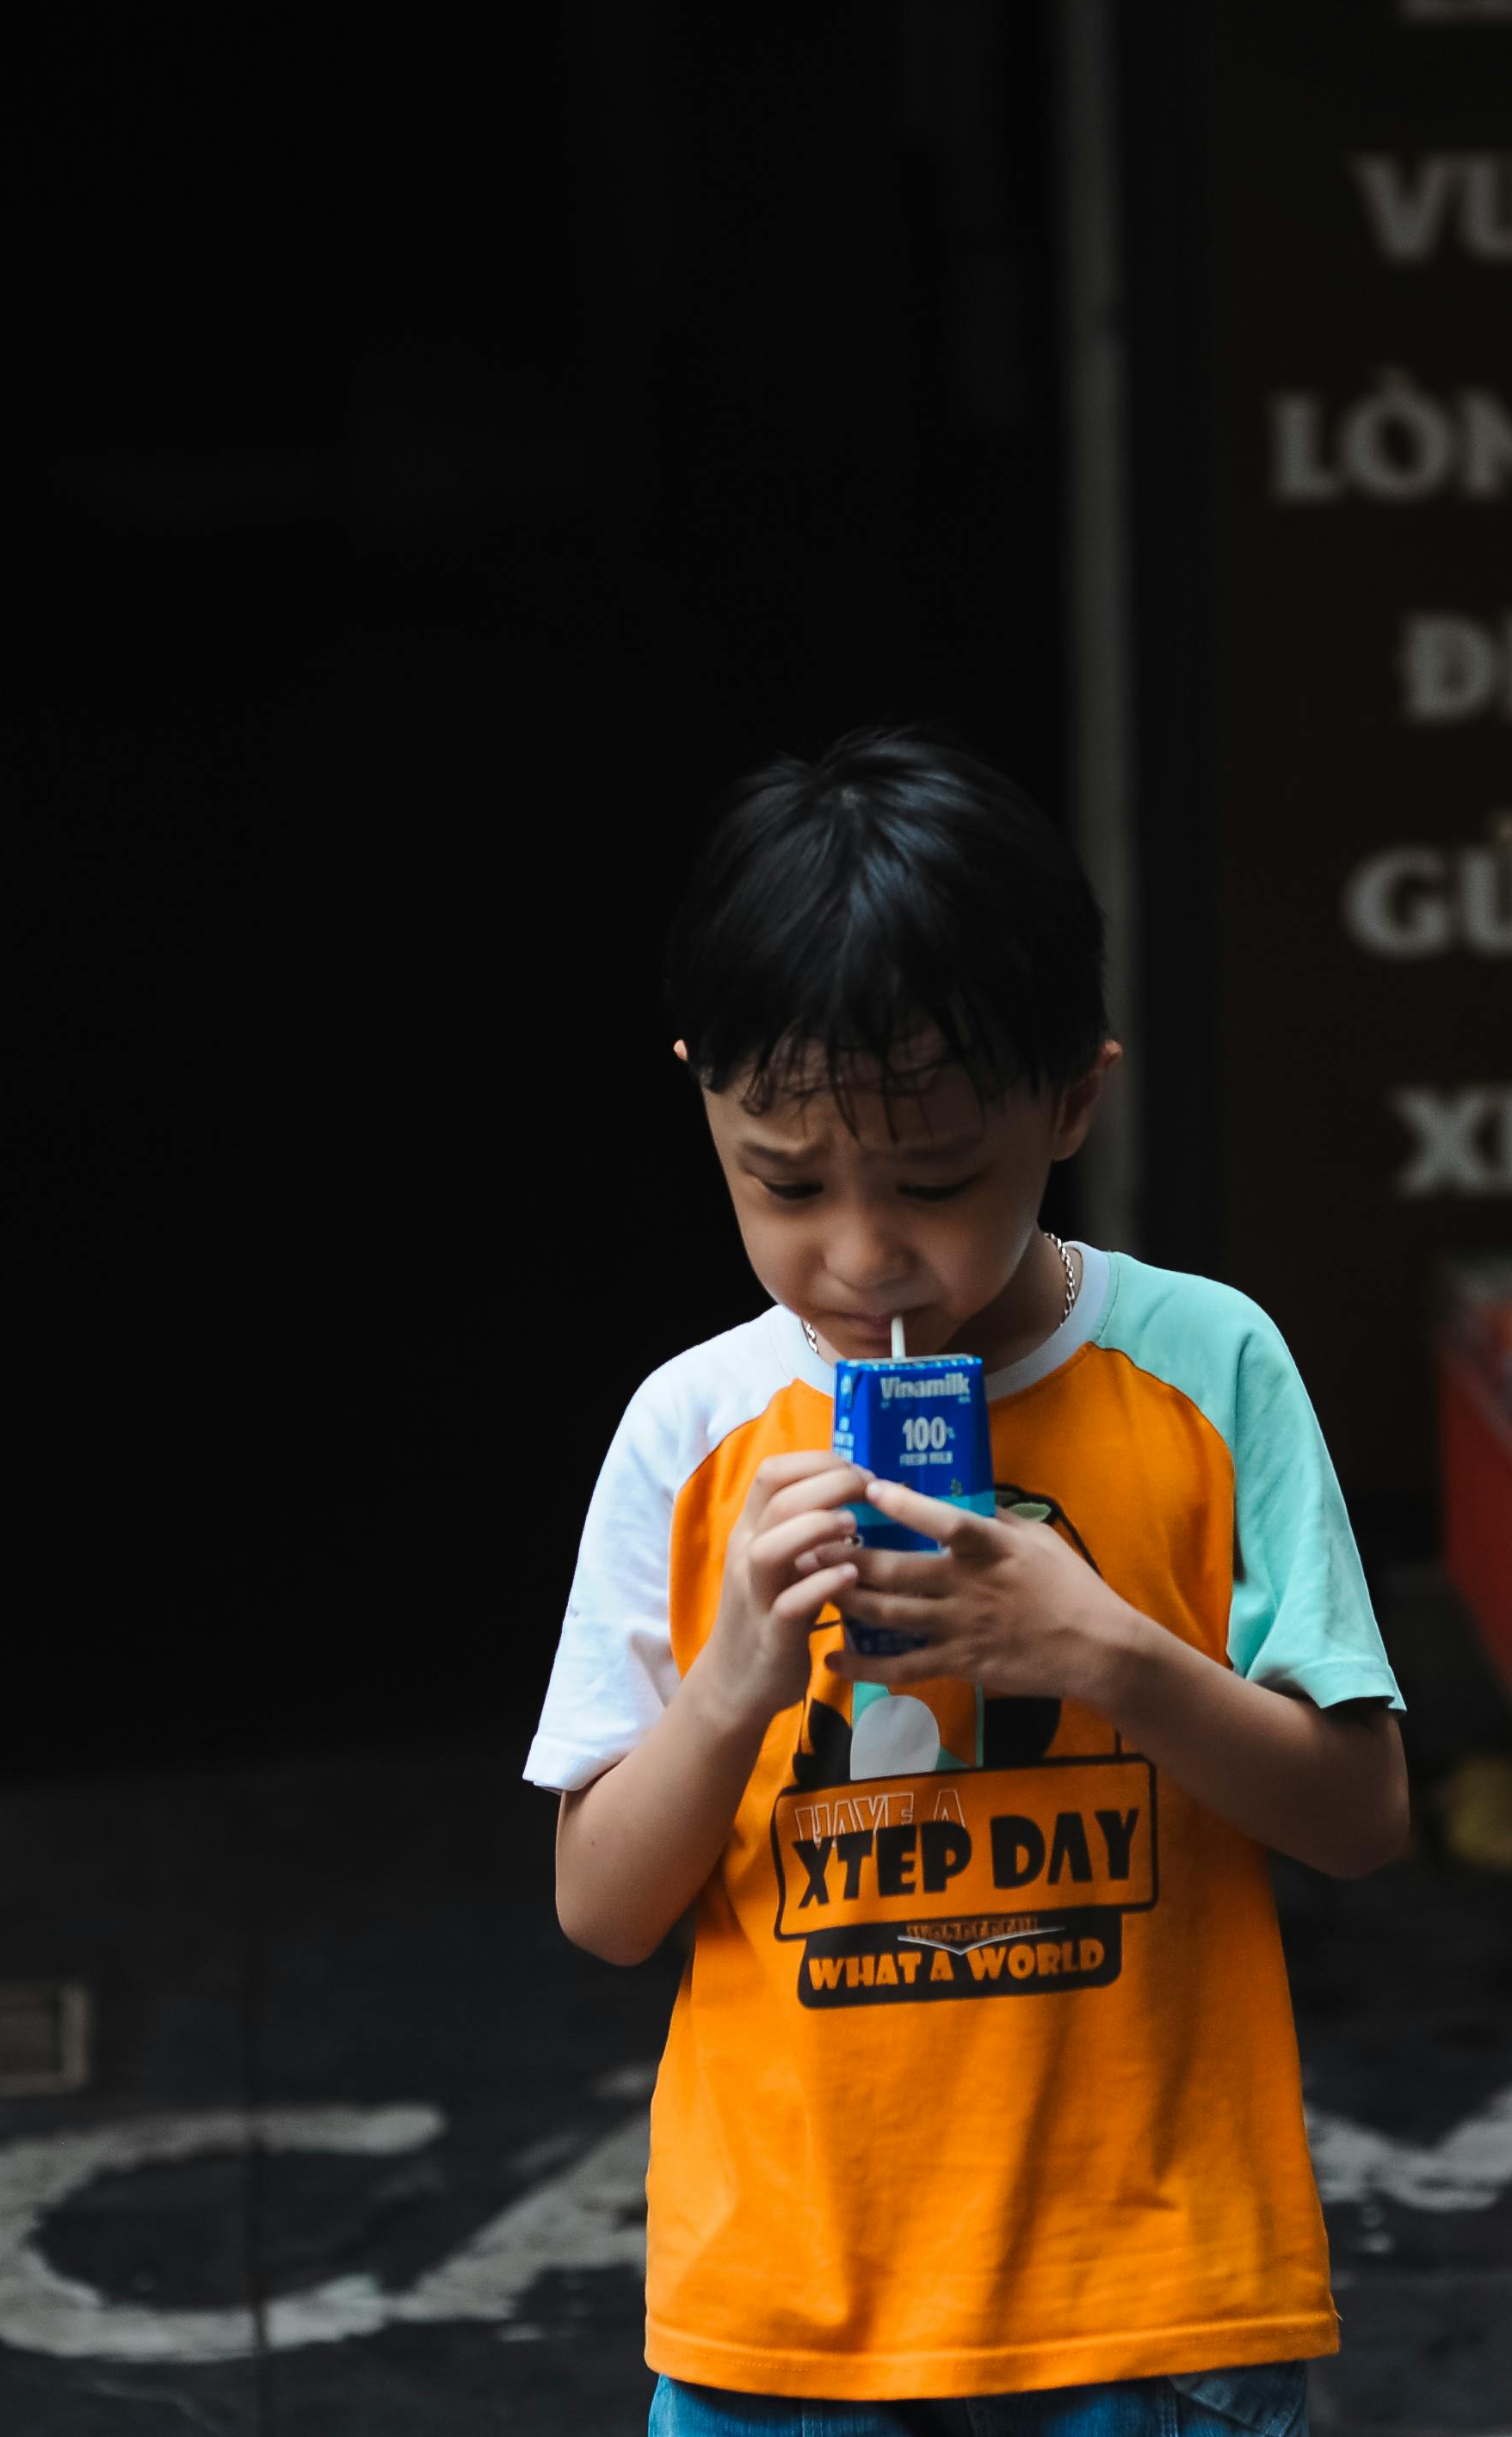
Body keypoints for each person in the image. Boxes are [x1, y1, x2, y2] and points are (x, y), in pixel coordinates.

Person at [527, 726, 1410, 2436]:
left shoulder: (1206, 1366)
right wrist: (733, 1687)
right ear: (702, 1088)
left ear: (1073, 1097)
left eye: (935, 1181)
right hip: (792, 2311)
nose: (860, 1256)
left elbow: (1360, 1817)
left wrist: (1107, 1654)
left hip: (1151, 2303)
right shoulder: (693, 1430)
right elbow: (602, 1909)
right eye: (780, 1184)